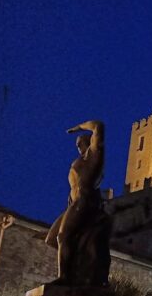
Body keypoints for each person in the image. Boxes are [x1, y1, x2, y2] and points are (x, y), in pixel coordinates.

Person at [45, 120, 111, 286]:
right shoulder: (81, 160)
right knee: (51, 238)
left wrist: (78, 128)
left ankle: (65, 278)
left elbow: (98, 126)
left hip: (84, 201)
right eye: (77, 144)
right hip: (74, 202)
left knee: (63, 236)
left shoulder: (94, 156)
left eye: (80, 142)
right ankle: (78, 270)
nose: (78, 146)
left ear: (89, 142)